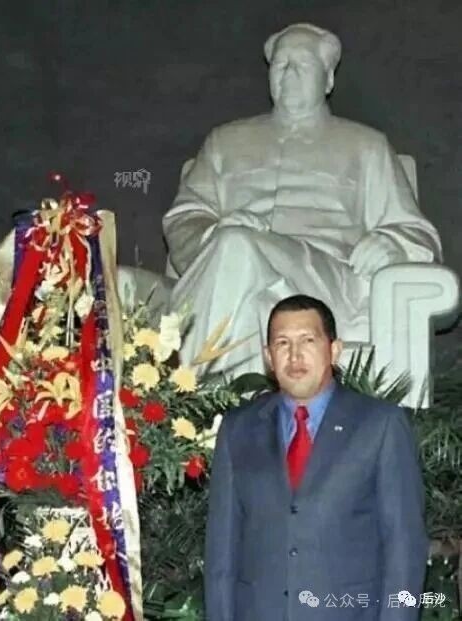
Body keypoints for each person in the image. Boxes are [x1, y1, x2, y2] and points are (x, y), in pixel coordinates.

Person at [163, 23, 441, 377]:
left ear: (328, 79)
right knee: (234, 247)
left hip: (324, 278)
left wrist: (392, 244)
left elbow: (419, 235)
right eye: (280, 64)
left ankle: (192, 397)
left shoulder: (366, 146)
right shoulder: (224, 142)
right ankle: (225, 397)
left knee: (235, 245)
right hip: (233, 262)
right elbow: (184, 217)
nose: (289, 72)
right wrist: (211, 233)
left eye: (303, 64)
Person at [204, 294, 428, 621]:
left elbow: (404, 549)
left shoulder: (380, 425)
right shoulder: (238, 429)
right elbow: (221, 554)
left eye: (308, 340)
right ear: (268, 357)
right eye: (282, 343)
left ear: (334, 350)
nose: (295, 355)